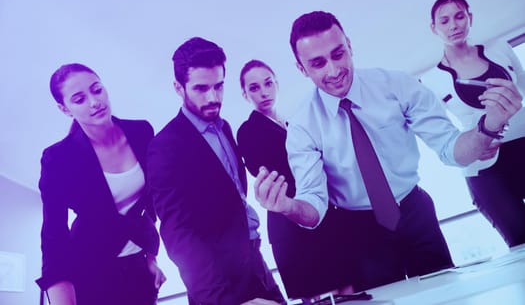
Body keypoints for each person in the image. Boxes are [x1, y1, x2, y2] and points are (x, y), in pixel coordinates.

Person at [253, 11, 522, 292]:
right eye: (318, 63)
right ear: (302, 68)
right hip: (359, 230)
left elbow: (450, 149)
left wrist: (488, 126)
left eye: (338, 54)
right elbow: (314, 204)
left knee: (446, 294)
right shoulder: (302, 126)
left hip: (415, 211)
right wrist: (288, 207)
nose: (333, 70)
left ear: (349, 46)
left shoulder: (396, 86)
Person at [147, 38, 284, 305]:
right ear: (178, 87)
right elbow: (178, 233)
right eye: (200, 88)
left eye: (218, 86)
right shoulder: (164, 146)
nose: (213, 97)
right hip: (217, 286)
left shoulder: (225, 129)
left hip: (256, 264)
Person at [36, 63, 166, 305]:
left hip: (139, 269)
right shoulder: (58, 158)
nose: (94, 102)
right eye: (79, 99)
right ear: (65, 109)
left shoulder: (141, 131)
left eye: (97, 90)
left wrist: (150, 257)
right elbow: (54, 232)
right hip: (90, 269)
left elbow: (148, 204)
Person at [236, 60, 354, 299]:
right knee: (322, 295)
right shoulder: (248, 130)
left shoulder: (291, 123)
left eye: (268, 83)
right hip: (290, 221)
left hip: (320, 213)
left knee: (348, 289)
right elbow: (273, 173)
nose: (264, 92)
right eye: (254, 88)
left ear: (277, 84)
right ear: (245, 94)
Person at [420, 0, 525, 247]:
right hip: (485, 169)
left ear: (470, 18)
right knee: (521, 240)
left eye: (459, 16)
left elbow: (521, 91)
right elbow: (442, 136)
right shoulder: (430, 81)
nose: (453, 25)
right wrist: (474, 144)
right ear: (434, 28)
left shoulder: (500, 48)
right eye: (444, 21)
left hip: (522, 146)